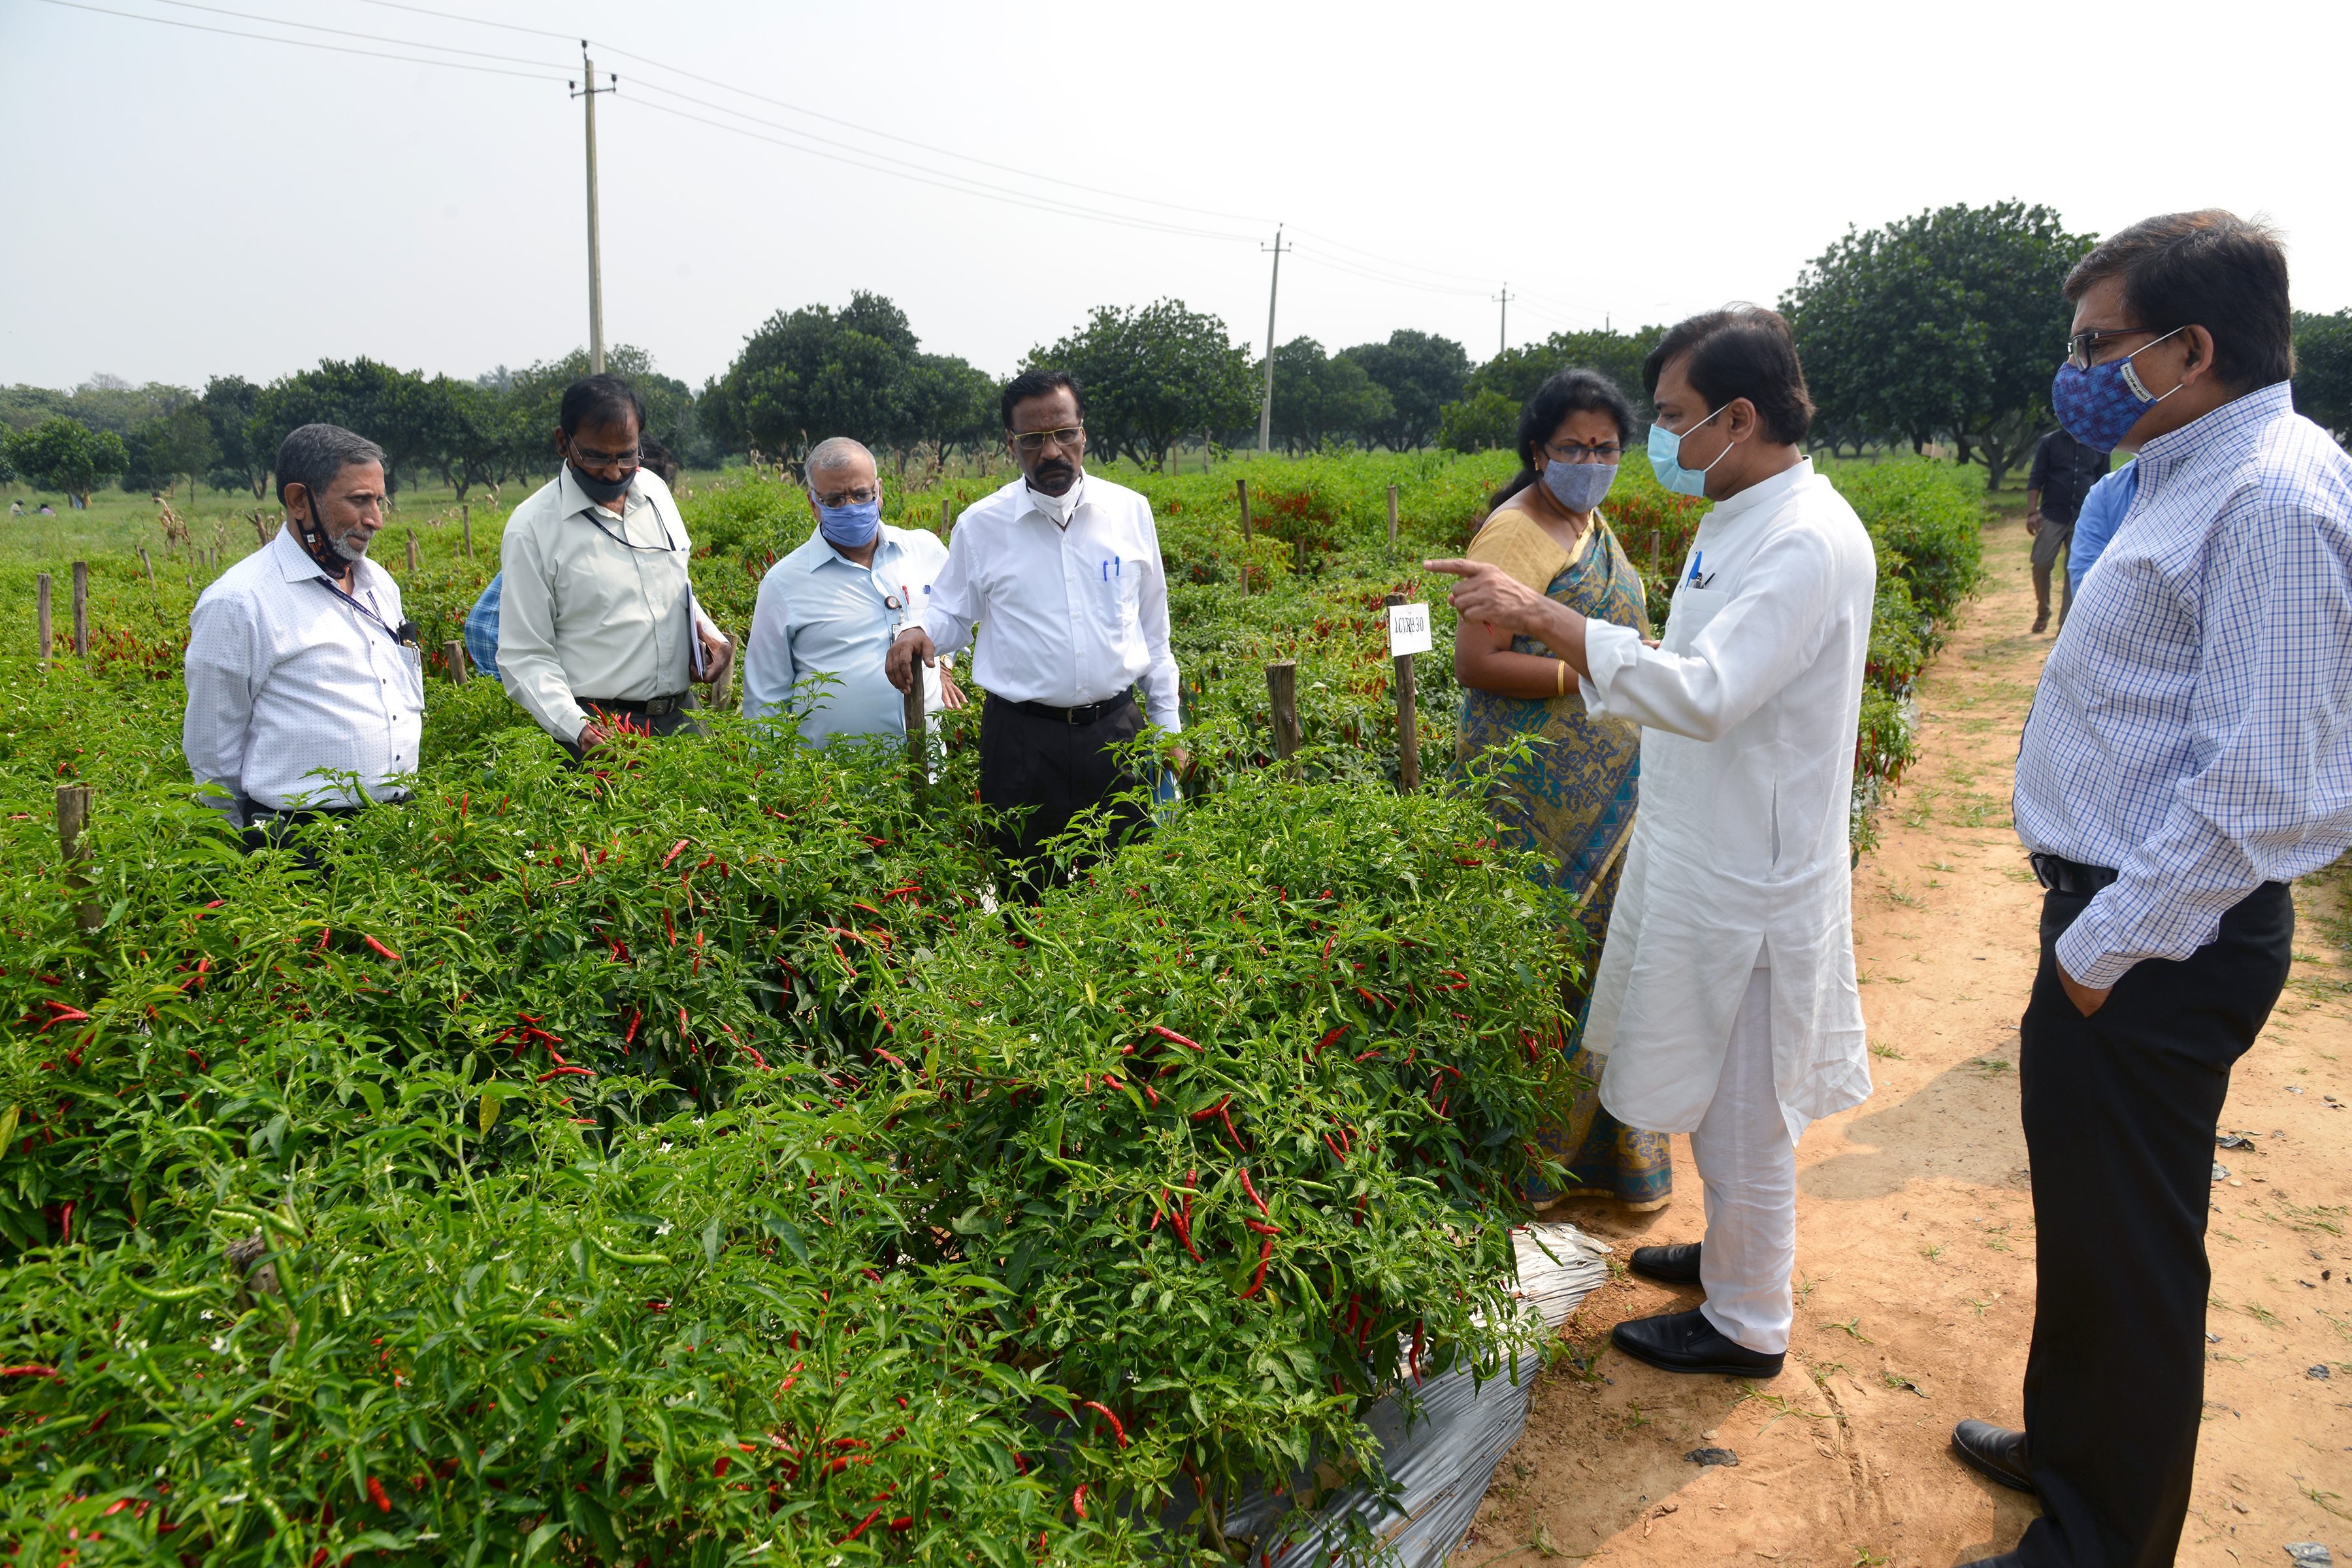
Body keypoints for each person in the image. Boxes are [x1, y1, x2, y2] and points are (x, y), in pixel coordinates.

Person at [1946, 212, 2352, 1568]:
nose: (2076, 370)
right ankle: (2071, 1448)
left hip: (2161, 938)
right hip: (2118, 920)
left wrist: (2106, 949)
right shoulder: (2182, 469)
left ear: (2191, 346)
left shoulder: (2273, 499)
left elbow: (2269, 785)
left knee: (2131, 1252)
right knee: (2089, 1221)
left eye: (2096, 345)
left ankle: (2098, 1538)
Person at [1427, 306, 1876, 1381]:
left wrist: (1551, 623)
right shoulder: (1749, 516)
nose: (1655, 444)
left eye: (1670, 420)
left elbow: (1710, 690)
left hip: (1750, 868)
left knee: (1749, 1106)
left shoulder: (1806, 538)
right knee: (1721, 1088)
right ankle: (1731, 1262)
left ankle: (1748, 1320)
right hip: (1708, 844)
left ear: (1738, 415)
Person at [1454, 368, 1672, 1213]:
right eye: (1574, 447)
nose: (1591, 459)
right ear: (1539, 450)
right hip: (1530, 798)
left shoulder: (1590, 523)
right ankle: (1532, 1161)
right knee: (1544, 972)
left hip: (1612, 791)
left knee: (1611, 966)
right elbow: (1476, 662)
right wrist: (1587, 678)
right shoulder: (1514, 534)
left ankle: (1602, 1160)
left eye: (1607, 447)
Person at [885, 369, 1183, 899]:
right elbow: (952, 614)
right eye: (1033, 440)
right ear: (1011, 445)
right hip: (1022, 743)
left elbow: (1153, 633)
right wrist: (919, 629)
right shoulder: (982, 526)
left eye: (1064, 433)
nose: (1052, 452)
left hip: (1117, 733)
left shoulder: (1130, 512)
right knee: (1026, 893)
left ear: (1083, 434)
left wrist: (1169, 728)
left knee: (1130, 897)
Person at [182, 423, 423, 847]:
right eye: (359, 501)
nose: (376, 520)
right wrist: (248, 846)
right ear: (299, 501)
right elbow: (212, 751)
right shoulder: (240, 601)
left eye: (379, 501)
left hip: (394, 821)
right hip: (296, 836)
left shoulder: (379, 583)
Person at [496, 375, 733, 759]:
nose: (613, 472)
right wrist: (577, 729)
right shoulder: (533, 528)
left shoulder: (654, 492)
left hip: (682, 717)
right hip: (601, 728)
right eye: (596, 456)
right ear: (563, 443)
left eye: (626, 455)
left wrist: (708, 633)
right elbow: (524, 655)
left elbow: (672, 587)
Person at [742, 436, 966, 745]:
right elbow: (765, 700)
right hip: (836, 784)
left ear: (880, 492)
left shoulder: (924, 550)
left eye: (862, 495)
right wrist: (772, 784)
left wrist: (944, 664)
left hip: (928, 772)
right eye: (834, 500)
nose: (851, 507)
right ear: (813, 505)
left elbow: (956, 614)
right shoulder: (783, 584)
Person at [2023, 427, 2108, 632]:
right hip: (2052, 514)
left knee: (2076, 570)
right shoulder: (2049, 442)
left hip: (2084, 517)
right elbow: (2036, 478)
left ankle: (2066, 624)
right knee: (2041, 564)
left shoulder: (2099, 445)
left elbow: (2104, 483)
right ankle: (2043, 611)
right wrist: (2032, 512)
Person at [2062, 459, 2136, 601]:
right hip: (2055, 514)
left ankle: (2064, 621)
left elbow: (2102, 471)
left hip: (2082, 509)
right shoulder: (2106, 490)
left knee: (2069, 569)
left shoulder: (2099, 452)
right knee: (2043, 563)